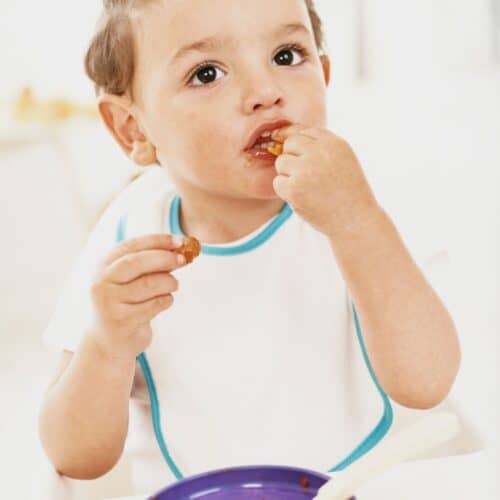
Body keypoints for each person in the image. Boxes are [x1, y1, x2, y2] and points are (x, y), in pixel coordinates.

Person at [38, 0, 469, 495]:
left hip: (353, 485)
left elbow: (428, 382)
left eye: (287, 56)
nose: (266, 92)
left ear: (325, 75)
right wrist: (107, 348)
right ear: (133, 129)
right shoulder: (128, 235)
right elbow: (74, 457)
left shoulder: (354, 203)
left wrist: (356, 223)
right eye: (206, 73)